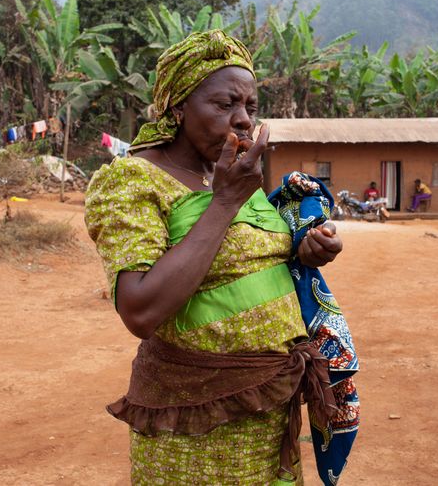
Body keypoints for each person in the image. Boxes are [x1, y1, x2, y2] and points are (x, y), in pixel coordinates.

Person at [85, 30, 344, 485]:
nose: (243, 120)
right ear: (178, 107)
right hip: (194, 419)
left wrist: (305, 251)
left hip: (268, 405)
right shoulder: (133, 180)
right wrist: (224, 201)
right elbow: (140, 310)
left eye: (250, 107)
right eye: (224, 105)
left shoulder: (229, 173)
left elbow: (246, 263)